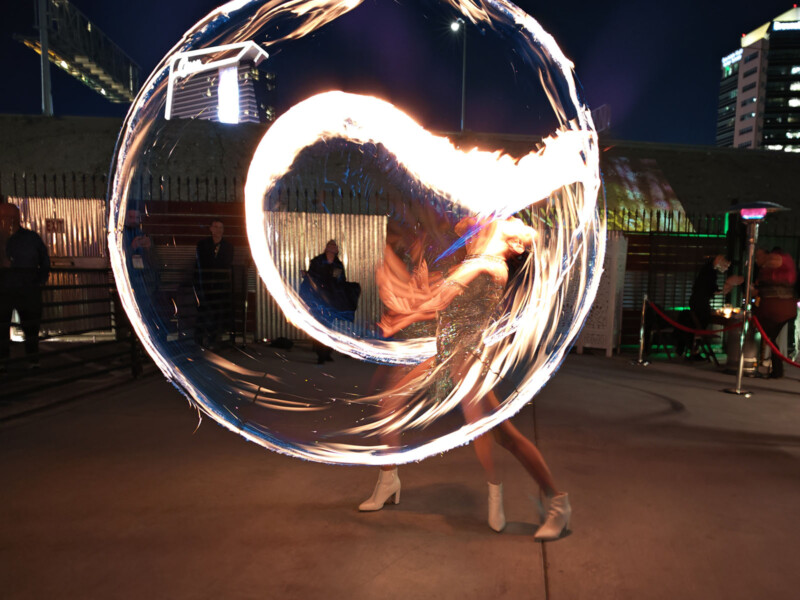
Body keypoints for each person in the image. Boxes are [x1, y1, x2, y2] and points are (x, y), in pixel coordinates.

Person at [358, 216, 570, 542]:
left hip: (467, 363)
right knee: (390, 402)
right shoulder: (474, 262)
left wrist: (403, 310)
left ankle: (557, 501)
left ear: (503, 238)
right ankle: (388, 481)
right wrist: (409, 301)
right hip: (445, 356)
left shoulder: (487, 267)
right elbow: (441, 301)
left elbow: (437, 300)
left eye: (481, 229)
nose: (469, 234)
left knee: (505, 437)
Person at [0, 201, 50, 371]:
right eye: (4, 217)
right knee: (2, 327)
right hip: (5, 291)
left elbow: (44, 261)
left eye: (11, 216)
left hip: (27, 290)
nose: (8, 220)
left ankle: (33, 359)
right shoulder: (4, 238)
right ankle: (4, 360)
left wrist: (39, 281)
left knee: (31, 326)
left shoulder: (30, 238)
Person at [302, 239, 360, 364]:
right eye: (330, 245)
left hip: (331, 299)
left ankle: (327, 352)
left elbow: (341, 280)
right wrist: (308, 276)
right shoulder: (317, 261)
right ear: (326, 248)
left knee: (329, 326)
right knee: (321, 325)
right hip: (319, 298)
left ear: (337, 250)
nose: (332, 247)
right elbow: (312, 277)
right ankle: (321, 354)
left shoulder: (338, 264)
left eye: (334, 246)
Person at [675, 254, 741, 360]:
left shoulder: (708, 270)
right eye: (726, 265)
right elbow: (710, 288)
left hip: (697, 301)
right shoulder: (710, 272)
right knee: (700, 325)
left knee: (698, 324)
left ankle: (694, 350)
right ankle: (695, 351)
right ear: (720, 261)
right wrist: (723, 290)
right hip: (700, 302)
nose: (727, 267)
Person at [754, 247, 797, 378]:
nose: (757, 260)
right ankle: (775, 369)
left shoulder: (778, 264)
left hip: (777, 310)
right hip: (778, 309)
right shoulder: (766, 271)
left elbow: (778, 261)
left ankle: (776, 370)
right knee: (771, 339)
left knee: (771, 339)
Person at [195, 219, 234, 348]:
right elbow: (202, 262)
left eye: (220, 227)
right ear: (210, 229)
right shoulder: (202, 245)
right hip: (204, 283)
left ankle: (212, 339)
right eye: (215, 227)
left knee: (217, 311)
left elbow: (226, 263)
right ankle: (199, 338)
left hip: (220, 285)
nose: (218, 230)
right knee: (203, 310)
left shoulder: (228, 247)